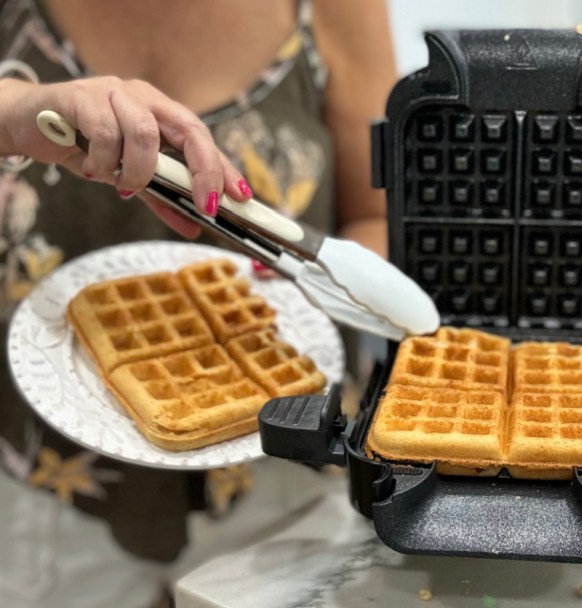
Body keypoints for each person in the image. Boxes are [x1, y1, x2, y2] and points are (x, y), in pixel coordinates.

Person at [0, 1, 397, 606]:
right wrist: (15, 114)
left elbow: (374, 214)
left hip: (287, 479)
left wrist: (319, 284)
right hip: (44, 489)